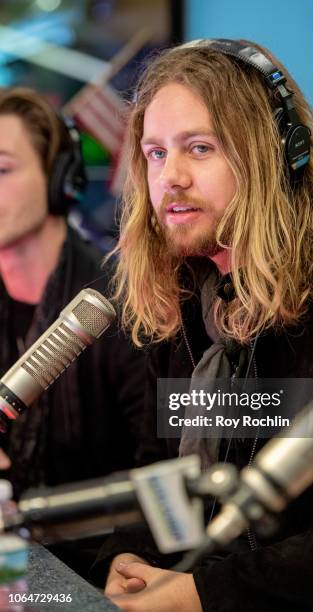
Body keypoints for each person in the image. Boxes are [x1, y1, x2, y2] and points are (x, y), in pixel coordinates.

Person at [93, 40, 313, 611]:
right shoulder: (182, 295)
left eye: (200, 148)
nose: (172, 177)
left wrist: (206, 593)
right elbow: (163, 469)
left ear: (274, 155)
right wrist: (130, 556)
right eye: (156, 153)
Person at [0, 87, 146, 571]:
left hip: (91, 566)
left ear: (60, 179)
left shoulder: (119, 307)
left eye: (2, 169)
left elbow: (156, 473)